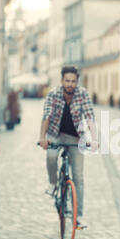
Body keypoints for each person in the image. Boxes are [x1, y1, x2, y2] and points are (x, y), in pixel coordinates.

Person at [39, 66, 98, 229]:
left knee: (78, 177)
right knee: (51, 156)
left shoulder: (83, 94)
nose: (70, 84)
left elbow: (90, 117)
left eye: (73, 81)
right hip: (55, 134)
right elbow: (47, 116)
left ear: (77, 82)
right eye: (67, 81)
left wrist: (94, 140)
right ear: (62, 81)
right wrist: (42, 138)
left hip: (76, 137)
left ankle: (77, 217)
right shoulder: (53, 94)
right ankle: (53, 184)